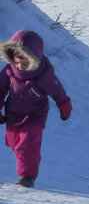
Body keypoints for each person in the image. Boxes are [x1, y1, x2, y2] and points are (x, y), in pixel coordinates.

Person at [0, 29, 72, 188]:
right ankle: (27, 164)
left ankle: (27, 177)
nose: (19, 65)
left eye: (24, 62)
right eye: (17, 61)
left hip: (35, 115)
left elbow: (57, 90)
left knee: (27, 145)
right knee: (14, 143)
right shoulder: (9, 70)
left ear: (34, 58)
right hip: (13, 114)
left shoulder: (43, 74)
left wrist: (64, 105)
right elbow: (0, 88)